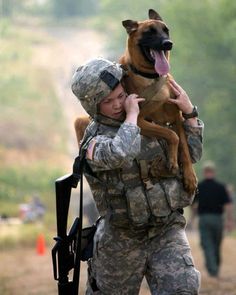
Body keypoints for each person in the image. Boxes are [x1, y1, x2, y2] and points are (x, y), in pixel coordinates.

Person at [71, 57, 204, 295]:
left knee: (182, 289)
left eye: (121, 96)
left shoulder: (151, 121)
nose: (118, 105)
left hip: (165, 230)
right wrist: (132, 117)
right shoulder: (93, 140)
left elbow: (191, 156)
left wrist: (189, 113)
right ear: (92, 105)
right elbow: (118, 154)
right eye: (107, 101)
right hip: (121, 239)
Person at [193, 161, 234, 279]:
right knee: (216, 244)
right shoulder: (221, 187)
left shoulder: (199, 187)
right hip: (218, 219)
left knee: (207, 244)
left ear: (205, 172)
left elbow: (194, 205)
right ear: (213, 172)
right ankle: (214, 267)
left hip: (205, 219)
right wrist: (229, 220)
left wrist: (193, 218)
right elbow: (228, 205)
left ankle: (213, 269)